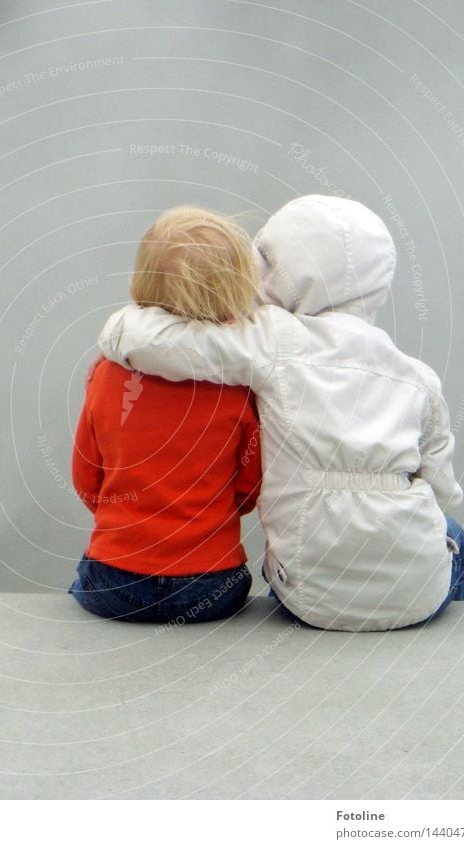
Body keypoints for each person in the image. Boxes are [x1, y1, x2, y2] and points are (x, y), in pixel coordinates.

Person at [98, 195, 464, 631]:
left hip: (310, 597)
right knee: (451, 531)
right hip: (416, 593)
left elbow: (161, 344)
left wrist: (121, 326)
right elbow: (441, 486)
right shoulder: (418, 377)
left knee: (300, 549)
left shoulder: (275, 341)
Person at [69, 206, 263, 623]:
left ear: (139, 291)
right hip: (213, 585)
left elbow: (87, 478)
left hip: (116, 580)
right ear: (233, 302)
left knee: (82, 581)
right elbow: (249, 488)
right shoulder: (238, 386)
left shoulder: (106, 374)